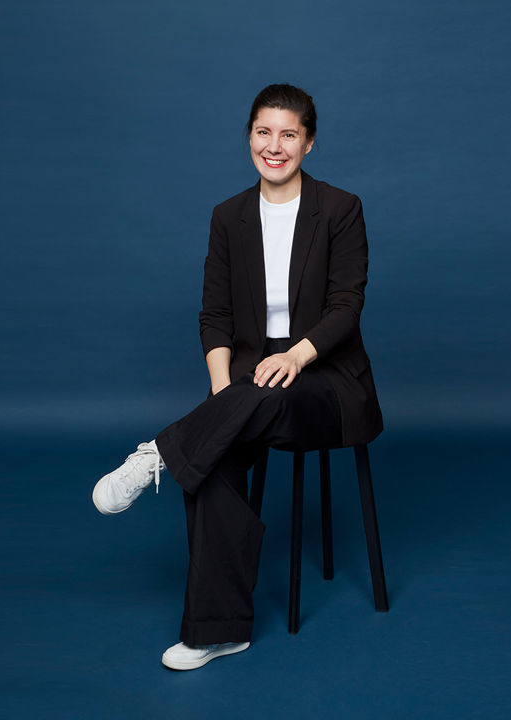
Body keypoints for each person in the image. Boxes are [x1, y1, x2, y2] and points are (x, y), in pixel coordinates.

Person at [91, 83, 383, 671]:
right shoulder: (228, 216)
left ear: (310, 143)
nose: (274, 146)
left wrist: (297, 357)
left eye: (289, 134)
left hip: (326, 382)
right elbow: (216, 316)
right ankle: (216, 632)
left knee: (245, 411)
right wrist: (225, 393)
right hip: (247, 381)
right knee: (216, 453)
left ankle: (158, 456)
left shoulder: (341, 208)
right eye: (262, 132)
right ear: (249, 136)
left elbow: (345, 308)